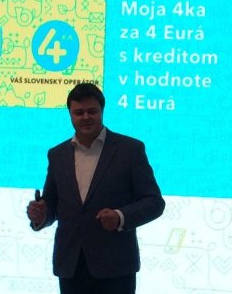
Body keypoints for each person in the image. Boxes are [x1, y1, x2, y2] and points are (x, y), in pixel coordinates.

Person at [26, 82, 165, 294]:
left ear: (102, 111)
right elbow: (52, 205)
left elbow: (154, 202)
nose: (85, 117)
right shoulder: (57, 155)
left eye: (92, 111)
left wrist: (120, 217)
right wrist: (41, 215)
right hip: (71, 266)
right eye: (79, 112)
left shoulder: (130, 150)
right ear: (70, 114)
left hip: (115, 267)